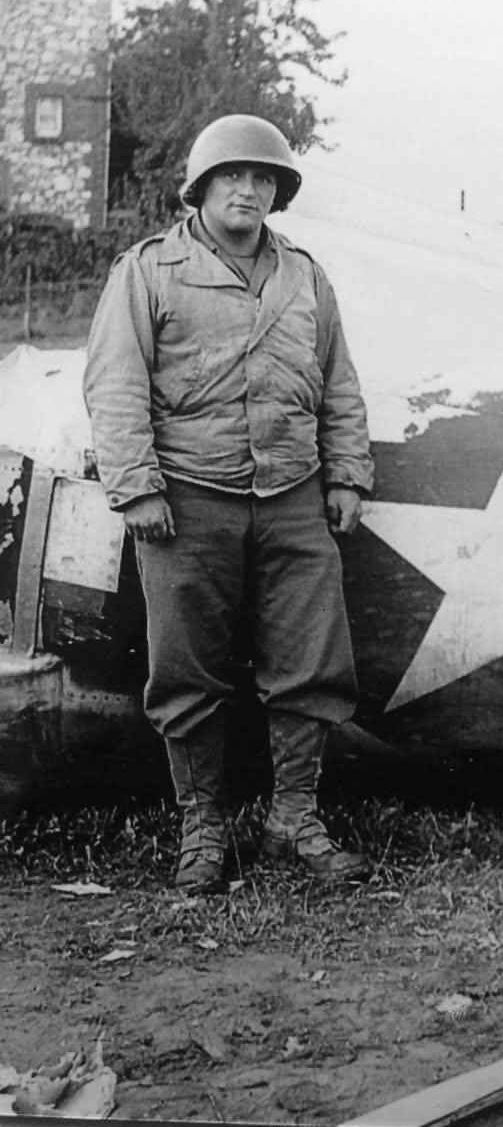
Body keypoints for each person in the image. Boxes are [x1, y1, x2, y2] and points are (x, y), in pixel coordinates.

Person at [83, 113, 375, 894]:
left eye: (263, 178)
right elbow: (115, 384)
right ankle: (203, 825)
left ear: (278, 192)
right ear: (202, 187)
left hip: (292, 496)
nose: (248, 189)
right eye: (232, 176)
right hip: (187, 501)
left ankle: (294, 819)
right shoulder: (147, 271)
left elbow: (339, 383)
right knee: (187, 670)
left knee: (312, 661)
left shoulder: (306, 277)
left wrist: (345, 474)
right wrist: (138, 486)